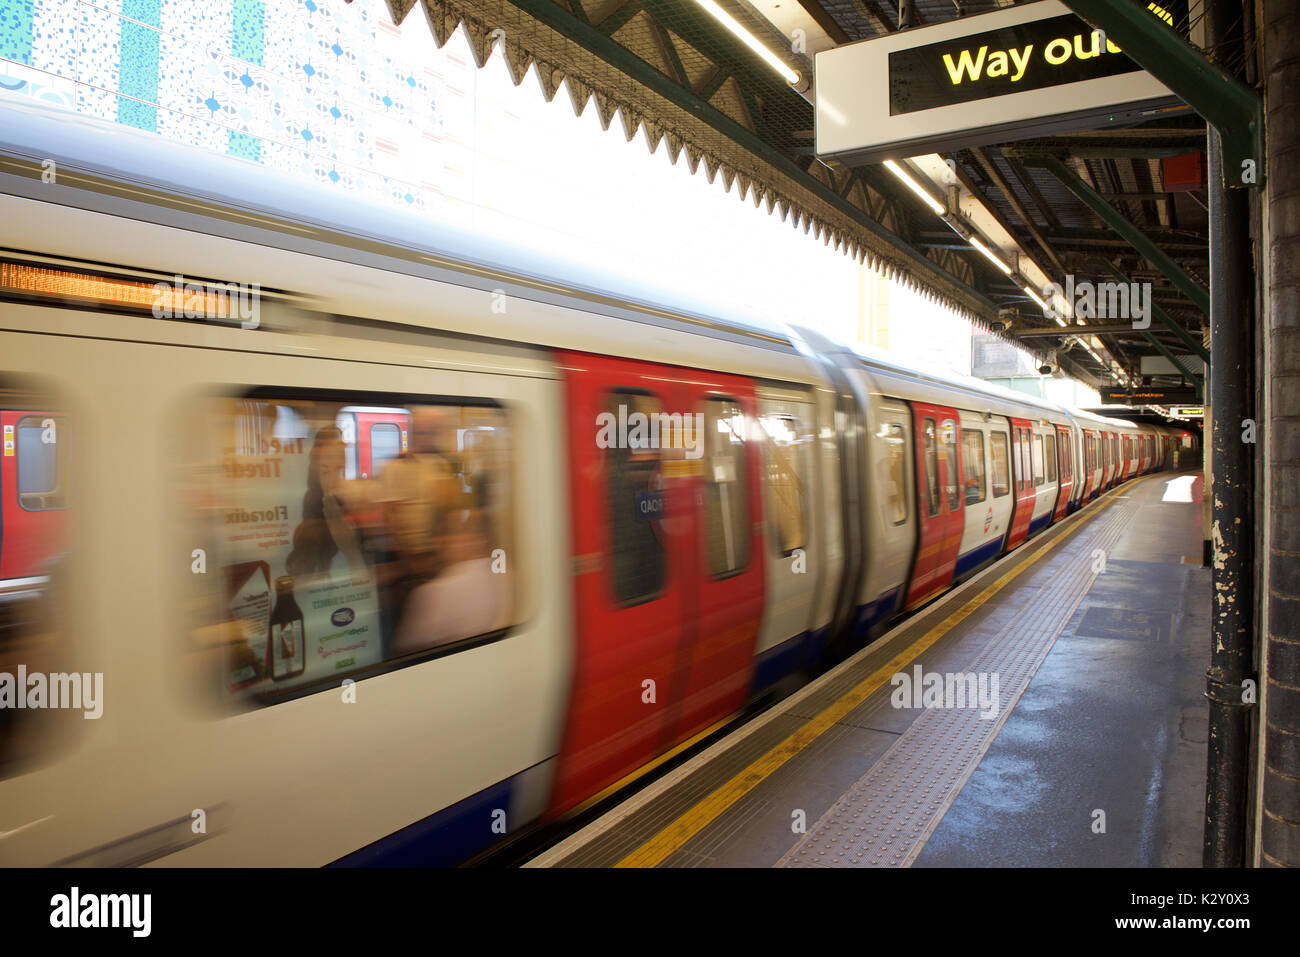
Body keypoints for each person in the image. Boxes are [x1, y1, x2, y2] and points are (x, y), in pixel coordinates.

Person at [390, 509, 507, 655]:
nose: (440, 542)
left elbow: (406, 650)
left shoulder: (437, 592)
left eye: (449, 534)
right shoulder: (506, 577)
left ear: (474, 539)